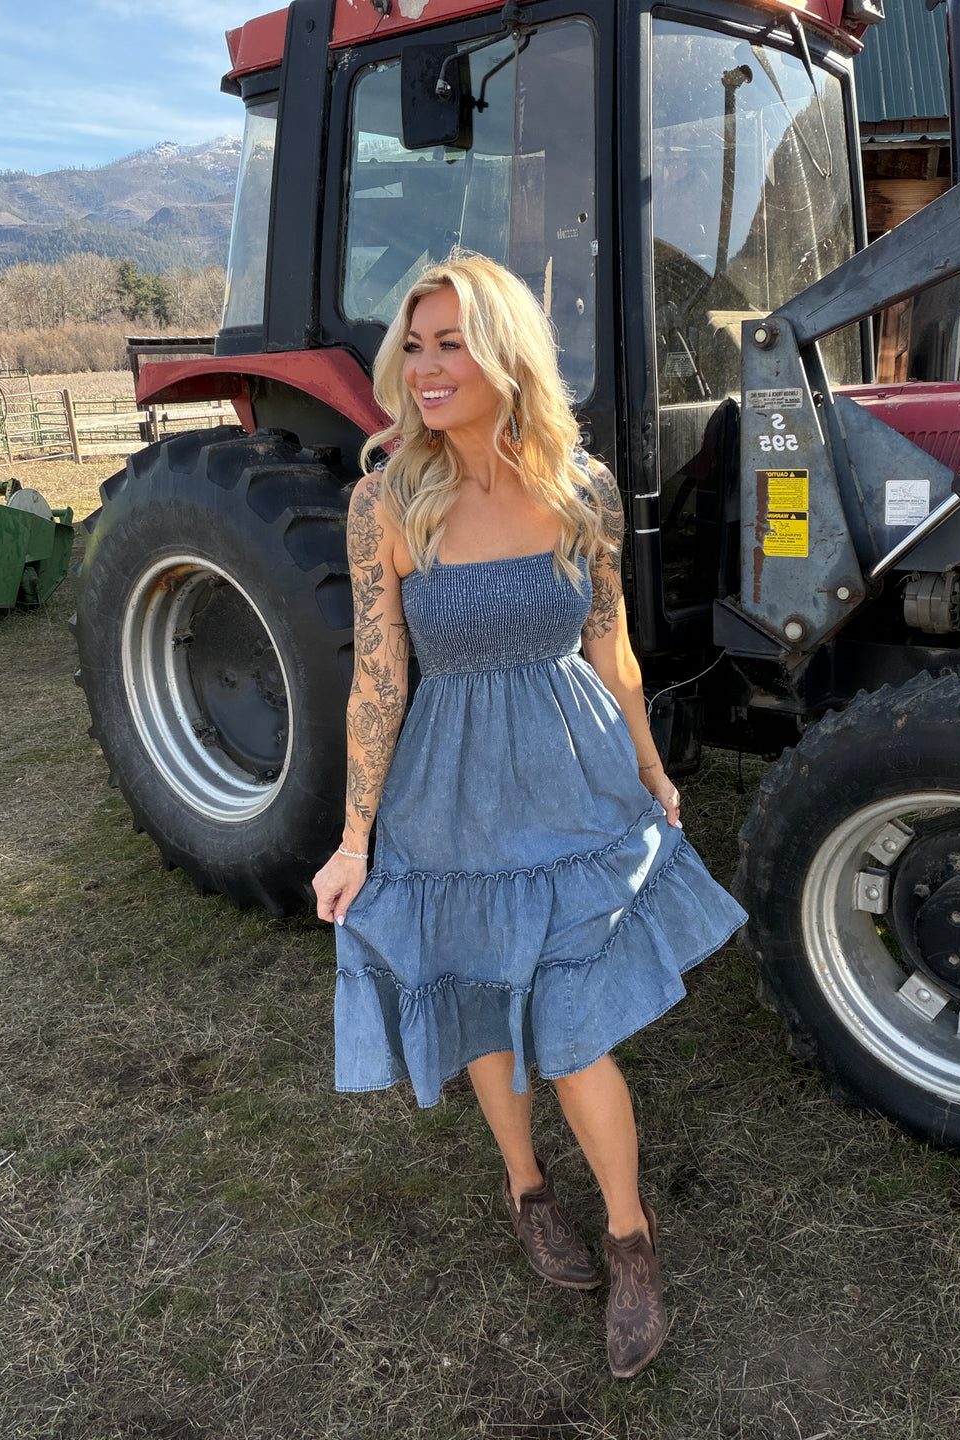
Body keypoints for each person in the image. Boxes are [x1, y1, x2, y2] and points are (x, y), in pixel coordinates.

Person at [312, 251, 746, 1379]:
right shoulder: (387, 499)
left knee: (575, 1026)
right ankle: (527, 1191)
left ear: (508, 352)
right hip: (449, 801)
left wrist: (651, 769)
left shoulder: (579, 486)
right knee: (489, 1010)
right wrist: (355, 838)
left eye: (452, 342)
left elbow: (609, 640)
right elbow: (376, 680)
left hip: (574, 780)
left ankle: (631, 1235)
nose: (427, 367)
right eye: (414, 345)